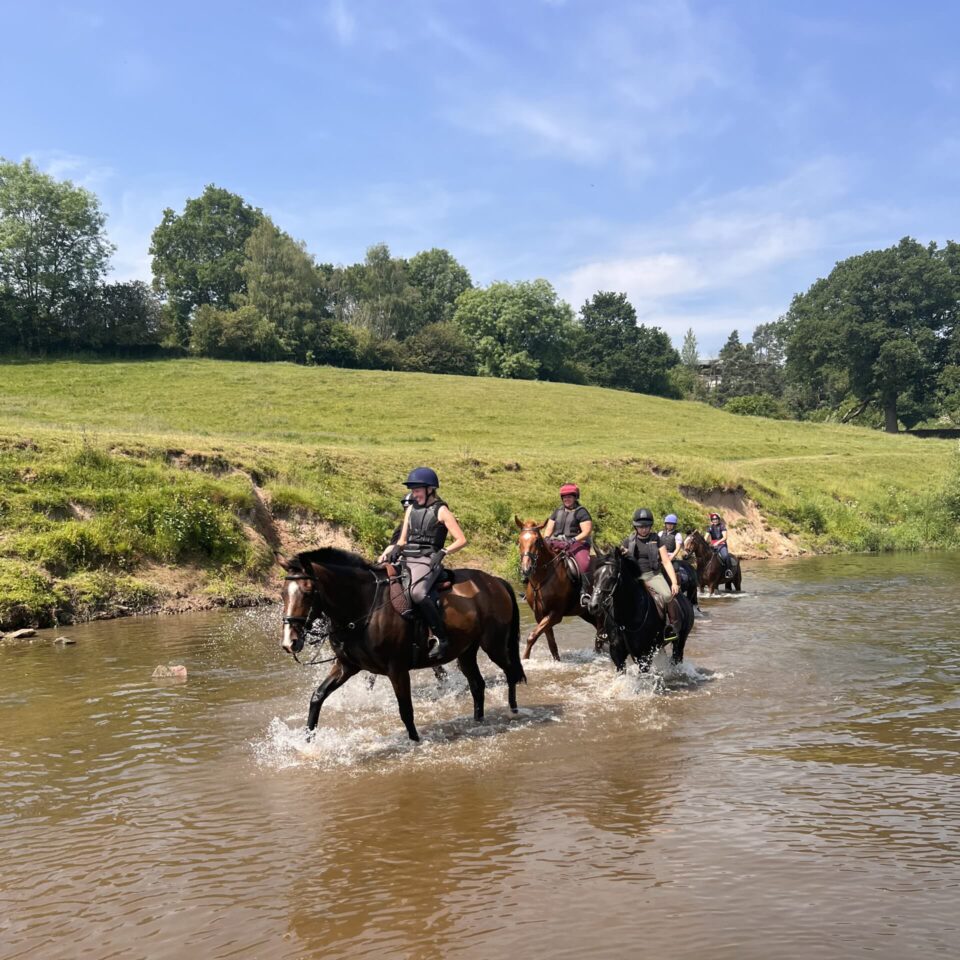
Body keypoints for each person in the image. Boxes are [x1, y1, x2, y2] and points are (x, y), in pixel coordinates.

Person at [378, 467, 466, 660]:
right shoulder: (411, 509)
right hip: (407, 557)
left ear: (430, 489)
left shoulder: (442, 511)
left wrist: (443, 552)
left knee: (417, 593)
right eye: (413, 490)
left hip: (428, 560)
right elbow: (403, 539)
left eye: (417, 490)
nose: (414, 494)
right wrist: (396, 548)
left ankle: (442, 639)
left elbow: (461, 540)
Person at [621, 508, 683, 636]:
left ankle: (672, 626)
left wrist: (674, 582)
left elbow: (666, 561)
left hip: (653, 575)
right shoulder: (628, 541)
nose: (644, 529)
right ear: (635, 527)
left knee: (667, 595)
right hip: (635, 577)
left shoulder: (657, 540)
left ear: (650, 526)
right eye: (641, 527)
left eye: (646, 527)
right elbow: (620, 560)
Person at [541, 483, 593, 600]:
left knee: (584, 564)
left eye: (569, 497)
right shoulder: (557, 511)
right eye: (564, 497)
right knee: (538, 555)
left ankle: (584, 592)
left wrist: (573, 540)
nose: (566, 499)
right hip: (557, 542)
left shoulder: (581, 512)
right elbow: (549, 528)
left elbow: (587, 531)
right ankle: (531, 586)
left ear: (575, 497)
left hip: (577, 543)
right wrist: (547, 538)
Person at [705, 512, 733, 578]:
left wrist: (717, 542)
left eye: (716, 519)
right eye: (713, 519)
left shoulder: (722, 526)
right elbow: (705, 537)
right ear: (711, 520)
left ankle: (728, 570)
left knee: (725, 556)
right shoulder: (710, 528)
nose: (715, 520)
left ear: (718, 519)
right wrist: (704, 542)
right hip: (713, 545)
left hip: (721, 544)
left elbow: (725, 537)